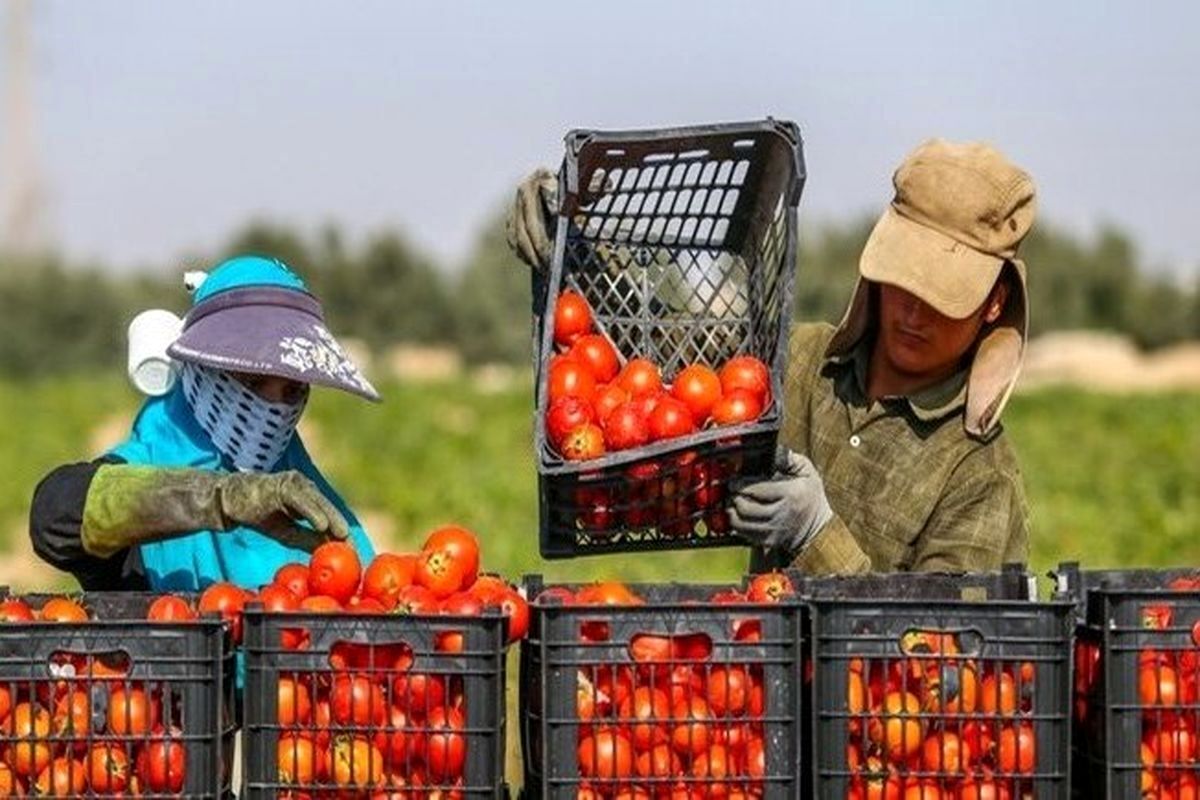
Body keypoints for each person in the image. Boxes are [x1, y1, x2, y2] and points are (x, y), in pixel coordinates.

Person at [507, 138, 1034, 574]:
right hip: (760, 687)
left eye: (943, 296)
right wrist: (576, 255)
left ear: (994, 304)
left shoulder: (979, 475)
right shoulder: (802, 363)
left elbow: (939, 661)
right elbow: (658, 357)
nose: (915, 312)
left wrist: (817, 537)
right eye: (902, 282)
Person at [29, 255, 380, 591]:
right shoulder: (141, 475)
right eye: (253, 382)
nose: (273, 407)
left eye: (292, 389)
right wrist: (220, 498)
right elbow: (53, 518)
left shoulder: (307, 503)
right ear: (200, 371)